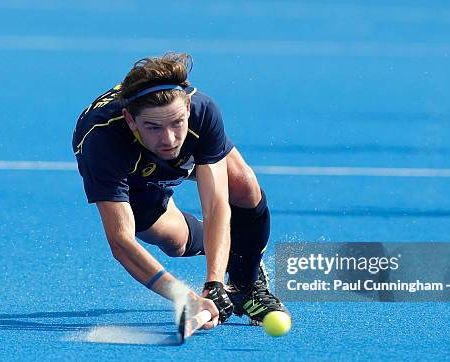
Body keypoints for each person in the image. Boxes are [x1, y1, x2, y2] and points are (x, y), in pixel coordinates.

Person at [72, 53, 288, 329]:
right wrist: (185, 298)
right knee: (174, 242)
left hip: (191, 142)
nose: (169, 139)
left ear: (187, 107)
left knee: (244, 185)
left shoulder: (203, 112)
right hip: (132, 168)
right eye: (154, 127)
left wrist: (214, 282)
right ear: (130, 120)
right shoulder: (102, 144)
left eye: (176, 122)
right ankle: (235, 250)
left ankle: (246, 286)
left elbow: (216, 204)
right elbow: (121, 243)